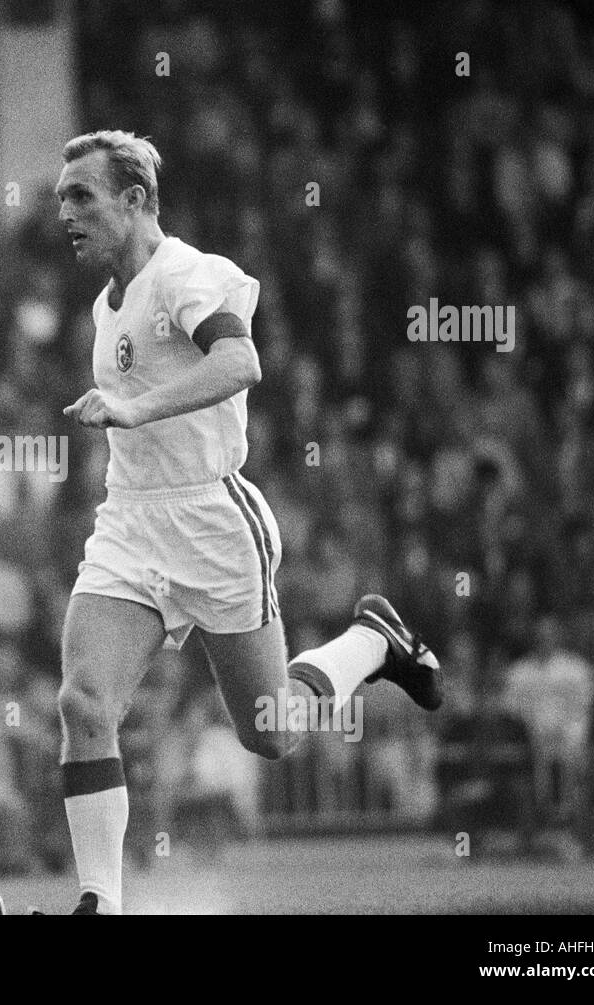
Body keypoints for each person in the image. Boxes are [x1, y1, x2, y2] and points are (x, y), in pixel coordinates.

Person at [50, 131, 443, 914]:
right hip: (129, 522)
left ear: (135, 200)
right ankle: (101, 902)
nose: (66, 212)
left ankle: (373, 642)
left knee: (270, 734)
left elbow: (241, 364)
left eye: (82, 196)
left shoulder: (188, 274)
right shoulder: (106, 303)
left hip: (212, 519)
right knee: (83, 703)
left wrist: (133, 408)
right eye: (63, 198)